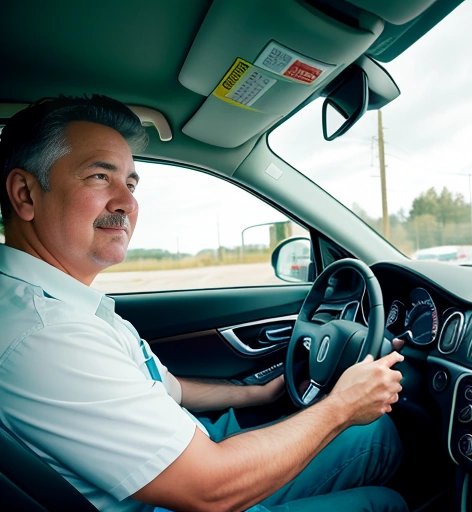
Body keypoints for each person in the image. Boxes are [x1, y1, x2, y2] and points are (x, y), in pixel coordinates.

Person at [0, 95, 408, 512]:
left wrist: (259, 395)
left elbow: (167, 388)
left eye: (131, 183)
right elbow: (209, 489)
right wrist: (341, 407)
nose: (127, 202)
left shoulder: (66, 304)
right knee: (384, 504)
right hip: (185, 493)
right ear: (25, 194)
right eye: (100, 177)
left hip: (188, 450)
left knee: (372, 436)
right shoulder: (46, 334)